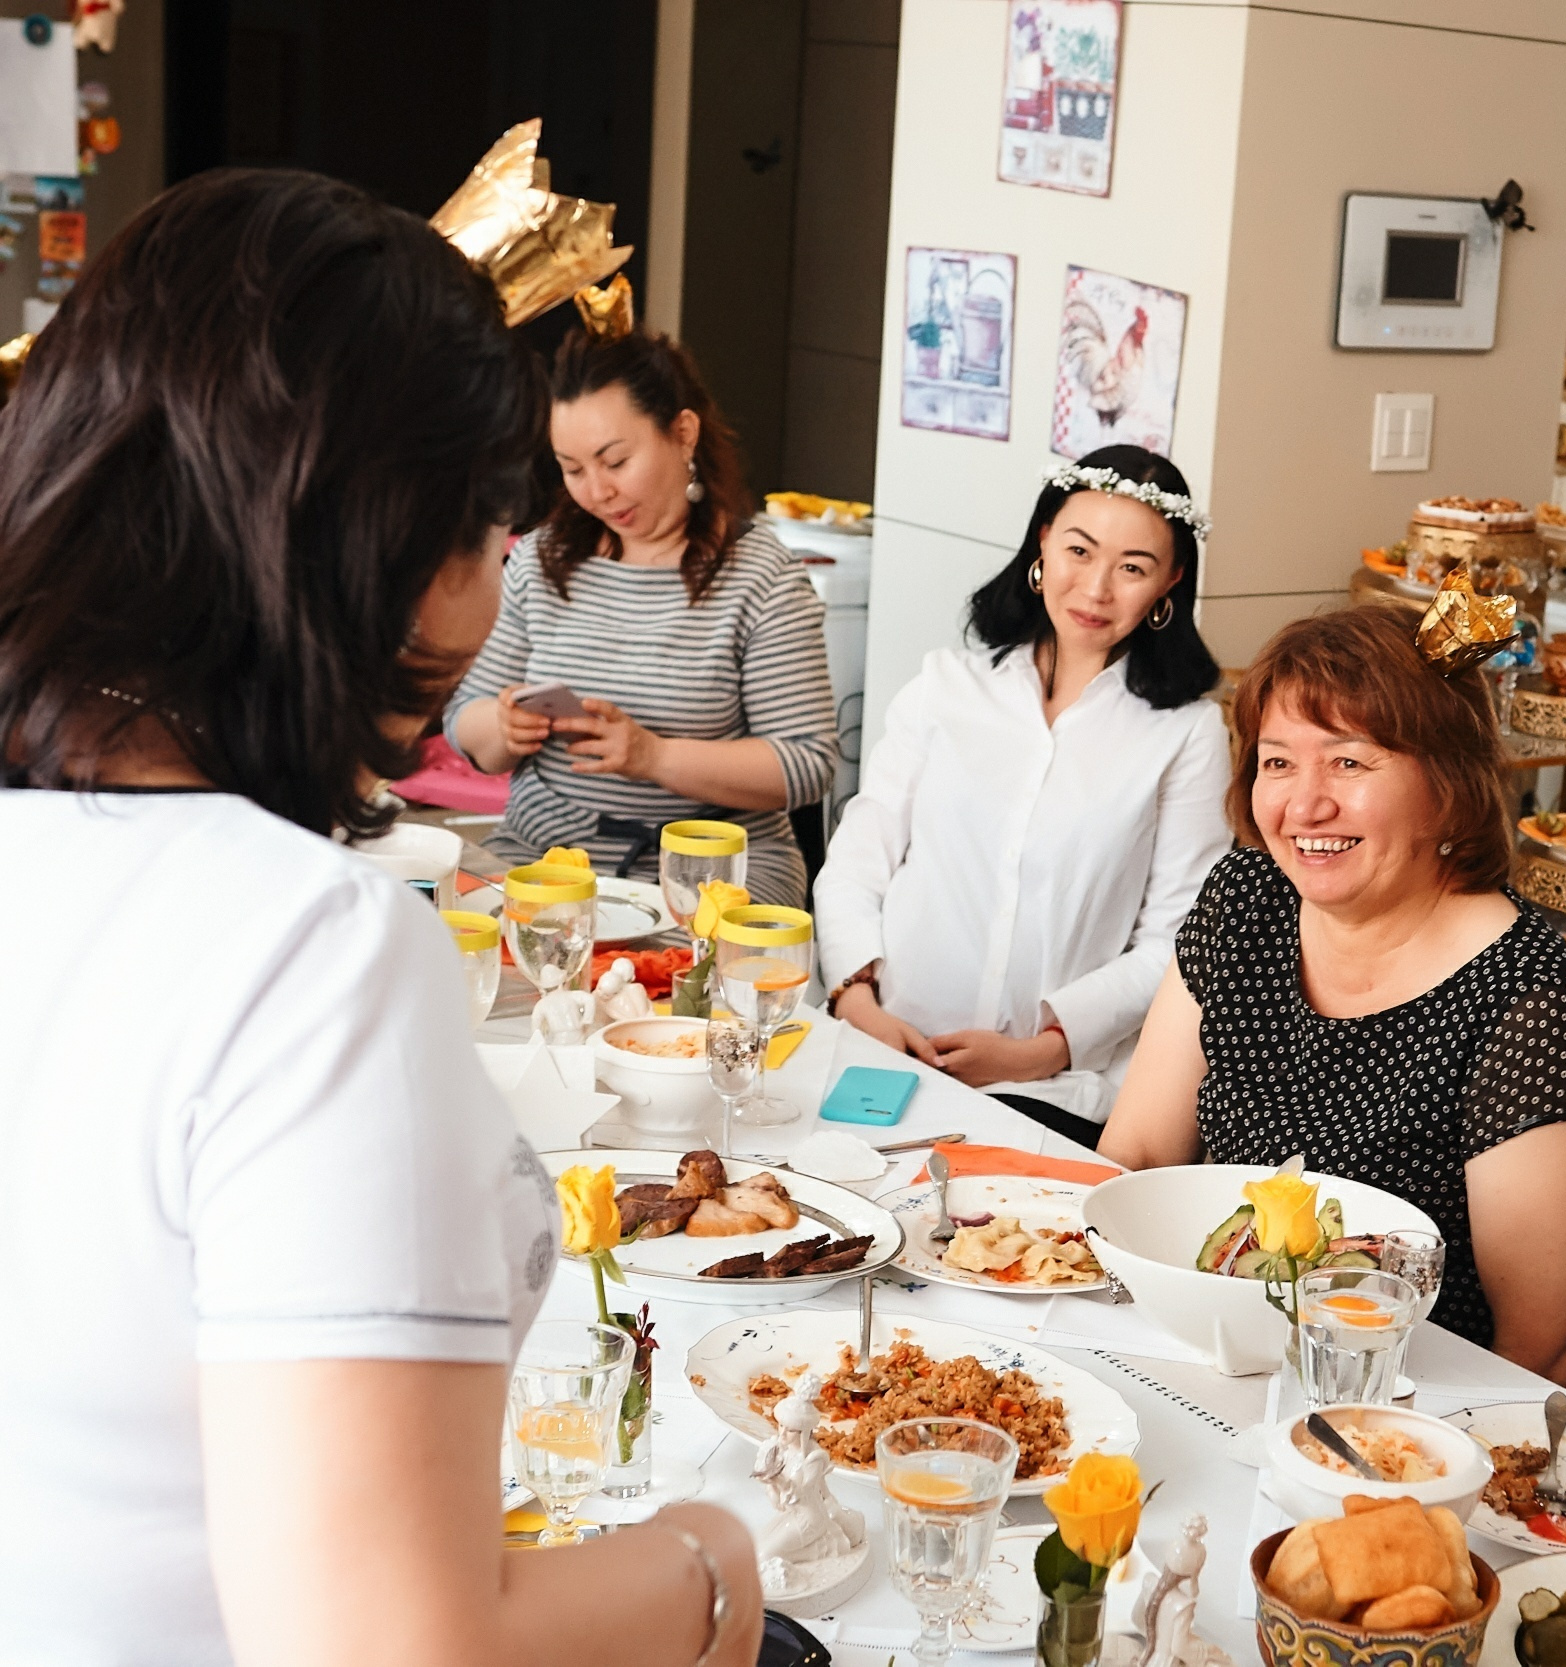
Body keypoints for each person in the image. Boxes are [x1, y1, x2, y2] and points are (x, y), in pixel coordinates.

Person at [0, 173, 762, 1664]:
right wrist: (711, 1572)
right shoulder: (303, 948)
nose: (488, 582)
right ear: (375, 540)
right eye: (485, 526)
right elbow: (390, 1642)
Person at [1096, 604, 1566, 1385]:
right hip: (1231, 1359)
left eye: (1349, 762)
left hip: (1427, 1407)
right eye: (1277, 762)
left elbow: (1548, 1345)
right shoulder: (1247, 897)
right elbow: (1136, 1160)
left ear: (1447, 786)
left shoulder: (1531, 1002)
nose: (1304, 805)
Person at [813, 447, 1231, 1145]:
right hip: (880, 1051)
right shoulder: (947, 685)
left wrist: (1040, 1051)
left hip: (1054, 1087)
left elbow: (1178, 941)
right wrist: (859, 1004)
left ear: (1171, 581)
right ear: (1043, 542)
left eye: (1133, 566)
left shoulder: (1186, 732)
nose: (1096, 588)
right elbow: (860, 857)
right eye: (1079, 549)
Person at [448, 288, 838, 908]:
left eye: (616, 461)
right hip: (547, 855)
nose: (597, 491)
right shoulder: (540, 560)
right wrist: (502, 726)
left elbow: (806, 764)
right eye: (573, 469)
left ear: (683, 434)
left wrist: (653, 756)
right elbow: (464, 724)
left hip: (713, 870)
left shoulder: (760, 575)